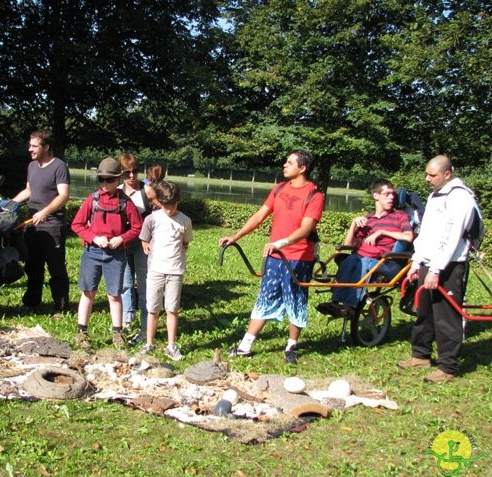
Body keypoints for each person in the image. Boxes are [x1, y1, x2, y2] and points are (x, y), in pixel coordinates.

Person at [219, 150, 324, 364]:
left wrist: (281, 243)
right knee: (265, 297)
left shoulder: (315, 195)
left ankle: (291, 347)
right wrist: (235, 236)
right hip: (275, 257)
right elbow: (259, 215)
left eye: (289, 162)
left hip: (299, 257)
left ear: (302, 168)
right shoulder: (279, 188)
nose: (284, 165)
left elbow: (306, 229)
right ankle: (245, 345)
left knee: (296, 300)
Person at [397, 155, 478, 383]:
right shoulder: (434, 196)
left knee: (446, 316)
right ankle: (421, 354)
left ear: (447, 174)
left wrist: (436, 269)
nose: (427, 179)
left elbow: (451, 237)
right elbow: (427, 233)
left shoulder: (460, 198)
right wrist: (416, 262)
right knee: (424, 311)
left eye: (432, 175)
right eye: (427, 173)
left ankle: (448, 366)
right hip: (428, 263)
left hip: (449, 266)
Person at [70, 157, 143, 351]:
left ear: (118, 179)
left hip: (116, 254)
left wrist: (122, 238)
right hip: (92, 252)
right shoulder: (92, 200)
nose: (104, 184)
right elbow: (76, 225)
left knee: (114, 294)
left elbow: (137, 227)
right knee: (88, 292)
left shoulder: (126, 203)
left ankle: (117, 333)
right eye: (101, 179)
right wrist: (93, 237)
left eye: (109, 180)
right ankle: (81, 331)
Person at [316, 179, 413, 318]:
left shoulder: (399, 216)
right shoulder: (368, 219)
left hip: (387, 262)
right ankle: (336, 302)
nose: (392, 197)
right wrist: (353, 225)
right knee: (350, 260)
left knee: (364, 262)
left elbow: (408, 237)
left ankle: (351, 306)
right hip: (366, 257)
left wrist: (382, 232)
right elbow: (348, 245)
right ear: (376, 196)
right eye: (387, 194)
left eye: (393, 194)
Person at [12, 130, 70, 315]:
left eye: (34, 146)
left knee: (56, 267)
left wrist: (45, 212)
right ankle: (32, 302)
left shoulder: (59, 166)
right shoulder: (32, 166)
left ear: (46, 147)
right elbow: (28, 190)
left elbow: (64, 195)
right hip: (32, 224)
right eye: (30, 145)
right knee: (33, 265)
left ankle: (60, 306)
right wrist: (10, 204)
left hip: (52, 225)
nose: (30, 149)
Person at [138, 181, 193, 361]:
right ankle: (149, 343)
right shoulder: (152, 219)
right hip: (155, 270)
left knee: (172, 309)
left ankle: (171, 345)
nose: (169, 210)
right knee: (152, 308)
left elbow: (186, 242)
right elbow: (144, 238)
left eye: (173, 205)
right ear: (159, 201)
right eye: (166, 205)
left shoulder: (185, 221)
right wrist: (146, 245)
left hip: (175, 271)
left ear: (178, 201)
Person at [117, 153, 151, 341]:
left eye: (135, 171)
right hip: (123, 241)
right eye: (127, 172)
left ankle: (146, 322)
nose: (131, 176)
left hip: (142, 242)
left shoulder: (147, 191)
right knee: (126, 282)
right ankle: (127, 318)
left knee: (144, 283)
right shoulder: (118, 190)